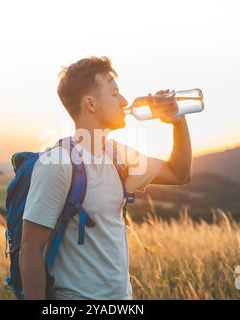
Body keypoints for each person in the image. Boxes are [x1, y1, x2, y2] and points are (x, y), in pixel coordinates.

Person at [19, 56, 192, 300]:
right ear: (90, 103)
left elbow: (179, 173)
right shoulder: (57, 163)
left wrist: (177, 120)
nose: (124, 101)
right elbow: (30, 251)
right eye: (114, 94)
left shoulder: (118, 155)